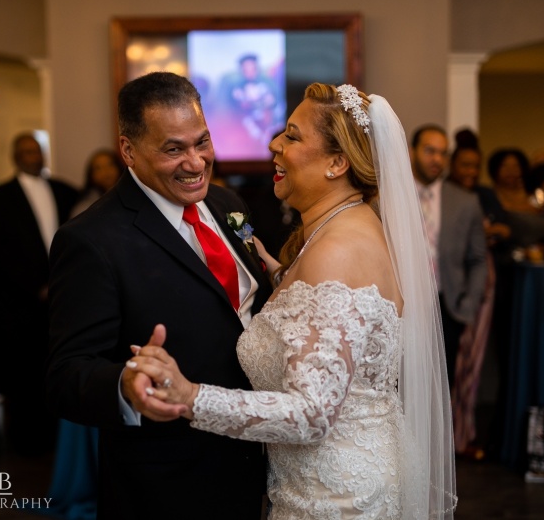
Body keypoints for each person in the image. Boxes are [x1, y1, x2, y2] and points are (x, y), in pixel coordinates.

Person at [126, 83, 457, 519]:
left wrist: (190, 397)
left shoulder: (337, 251)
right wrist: (282, 275)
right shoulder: (348, 227)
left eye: (293, 136)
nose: (273, 144)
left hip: (335, 498)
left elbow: (311, 413)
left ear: (338, 163)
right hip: (338, 477)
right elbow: (335, 319)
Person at [46, 72, 273, 520]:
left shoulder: (229, 205)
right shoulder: (91, 240)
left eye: (202, 142)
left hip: (256, 458)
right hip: (168, 481)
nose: (196, 162)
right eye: (174, 149)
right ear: (129, 150)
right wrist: (125, 386)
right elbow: (65, 375)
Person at [0, 132, 78, 455]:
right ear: (14, 156)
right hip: (20, 304)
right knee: (24, 374)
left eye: (36, 150)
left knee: (62, 366)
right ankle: (27, 444)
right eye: (24, 151)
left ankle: (60, 440)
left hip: (65, 299)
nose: (32, 155)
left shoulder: (65, 191)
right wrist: (36, 286)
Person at [409, 124, 487, 392]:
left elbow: (478, 258)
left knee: (441, 388)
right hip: (402, 303)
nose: (437, 160)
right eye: (430, 151)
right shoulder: (391, 194)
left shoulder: (466, 201)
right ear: (411, 151)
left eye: (443, 153)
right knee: (401, 384)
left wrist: (468, 304)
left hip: (447, 305)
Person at [446, 131, 494, 459]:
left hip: (472, 292)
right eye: (465, 164)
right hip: (449, 291)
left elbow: (478, 255)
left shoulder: (482, 196)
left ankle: (462, 435)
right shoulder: (441, 195)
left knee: (468, 367)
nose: (471, 171)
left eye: (476, 166)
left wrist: (469, 303)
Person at [69, 149, 125, 218]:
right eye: (98, 168)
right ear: (91, 175)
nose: (106, 171)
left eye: (110, 164)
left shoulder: (131, 196)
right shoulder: (84, 207)